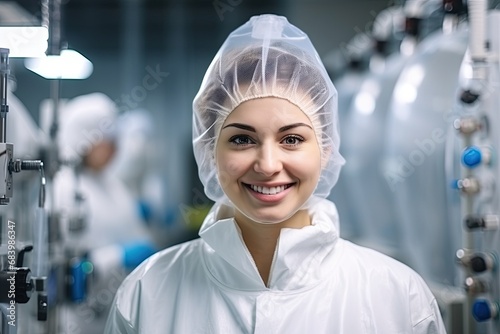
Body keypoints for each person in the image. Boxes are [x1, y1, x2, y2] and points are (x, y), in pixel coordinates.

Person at [105, 14, 446, 333]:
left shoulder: (401, 300)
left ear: (326, 148)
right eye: (242, 139)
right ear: (209, 150)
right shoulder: (146, 294)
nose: (268, 165)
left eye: (292, 139)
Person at [52, 92, 157, 333]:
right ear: (84, 138)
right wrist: (117, 257)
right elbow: (62, 263)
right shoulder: (64, 188)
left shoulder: (111, 184)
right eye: (107, 139)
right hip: (80, 318)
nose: (115, 147)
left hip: (118, 307)